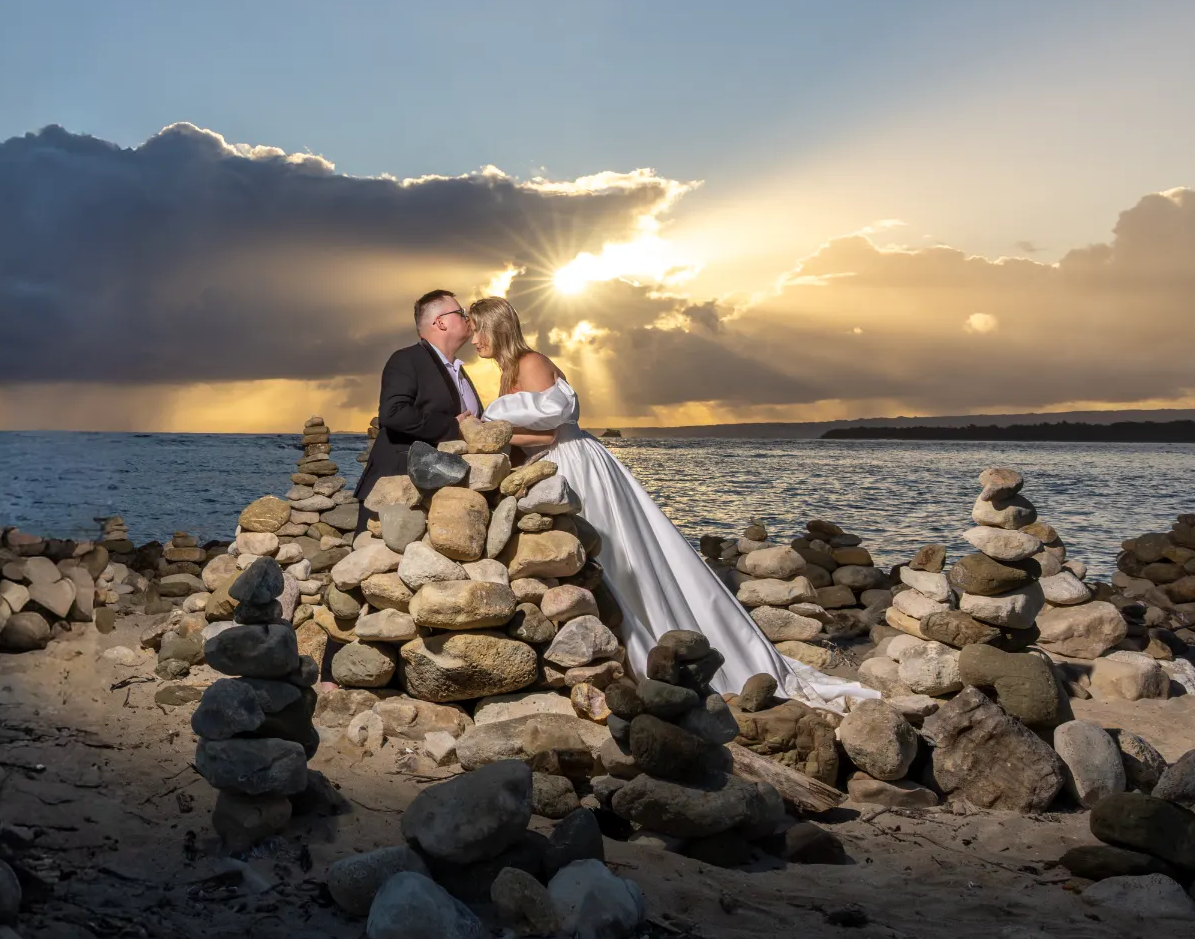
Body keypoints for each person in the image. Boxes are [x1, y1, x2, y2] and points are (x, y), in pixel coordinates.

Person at [464, 295, 875, 711]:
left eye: (477, 329)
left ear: (497, 327)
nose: (473, 338)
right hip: (554, 468)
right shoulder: (507, 373)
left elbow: (549, 433)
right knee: (606, 560)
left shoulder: (531, 362)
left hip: (575, 466)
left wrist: (484, 430)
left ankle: (666, 647)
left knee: (620, 557)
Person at [353, 288, 486, 510]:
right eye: (461, 312)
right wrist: (453, 427)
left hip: (442, 496)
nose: (468, 318)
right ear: (440, 322)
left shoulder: (459, 371)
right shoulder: (407, 359)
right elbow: (393, 414)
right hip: (399, 490)